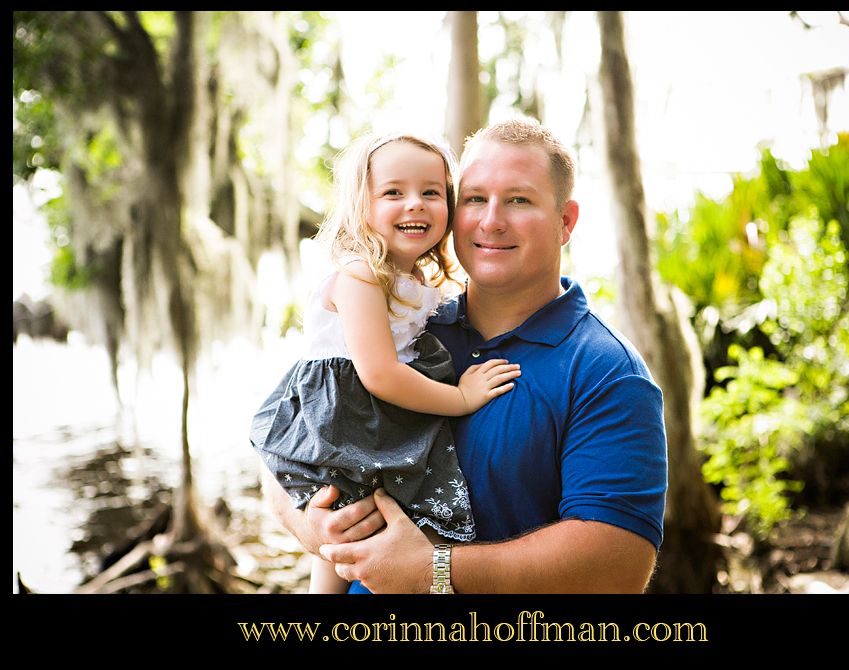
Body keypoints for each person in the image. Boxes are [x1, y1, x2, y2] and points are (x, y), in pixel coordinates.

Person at [261, 118, 668, 593]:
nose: (491, 221)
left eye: (518, 200)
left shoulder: (606, 371)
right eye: (474, 199)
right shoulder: (405, 325)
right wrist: (311, 525)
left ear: (565, 221)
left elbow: (620, 566)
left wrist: (433, 571)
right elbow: (289, 434)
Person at [250, 132, 521, 593]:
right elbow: (379, 373)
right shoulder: (360, 274)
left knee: (373, 529)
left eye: (431, 192)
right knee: (344, 524)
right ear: (362, 205)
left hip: (375, 414)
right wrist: (460, 398)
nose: (415, 204)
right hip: (345, 414)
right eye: (393, 192)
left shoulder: (412, 278)